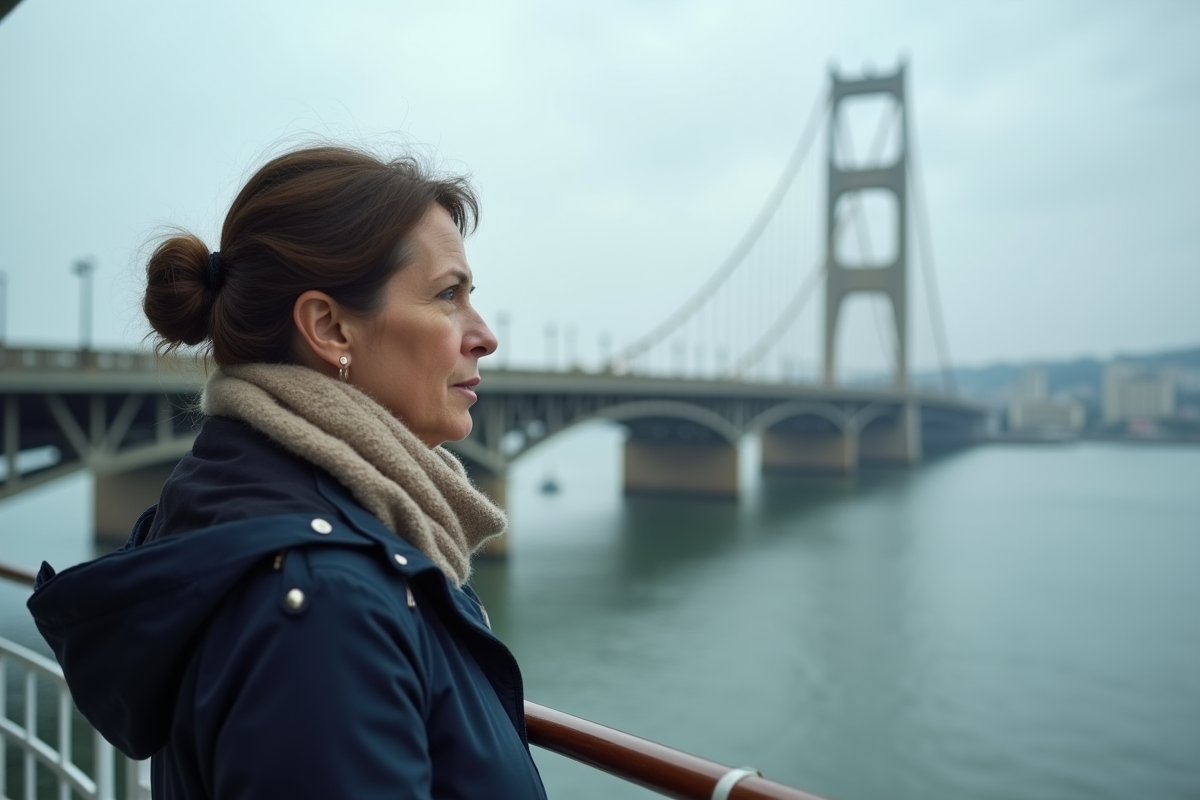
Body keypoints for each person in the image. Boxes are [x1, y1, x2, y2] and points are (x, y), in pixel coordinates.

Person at [27, 145, 549, 800]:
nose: (483, 335)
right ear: (329, 328)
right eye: (449, 295)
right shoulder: (328, 603)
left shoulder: (226, 506)